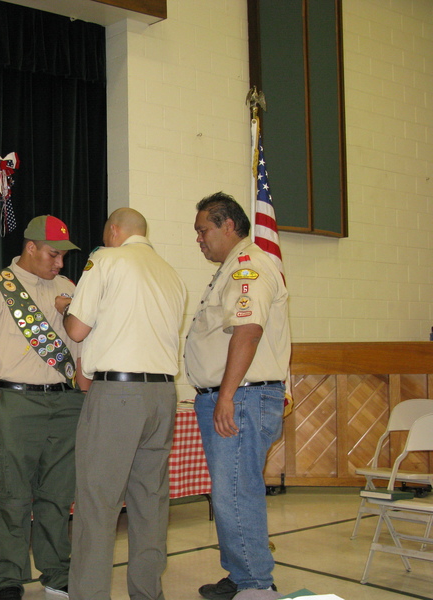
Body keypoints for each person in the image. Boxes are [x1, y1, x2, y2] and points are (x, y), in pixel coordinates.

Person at [56, 207, 187, 600]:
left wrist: (68, 307)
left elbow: (78, 328)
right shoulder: (172, 274)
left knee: (98, 504)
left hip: (118, 394)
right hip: (163, 395)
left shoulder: (107, 259)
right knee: (150, 502)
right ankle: (148, 594)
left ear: (113, 231)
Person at [0, 215, 90, 600]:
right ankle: (10, 579)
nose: (60, 263)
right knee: (12, 496)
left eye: (64, 256)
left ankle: (56, 573)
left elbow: (82, 348)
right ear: (30, 247)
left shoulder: (69, 288)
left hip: (66, 403)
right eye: (54, 254)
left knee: (57, 494)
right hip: (15, 402)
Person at [185, 192, 290, 600]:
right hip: (230, 396)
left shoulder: (249, 268)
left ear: (228, 225)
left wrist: (226, 395)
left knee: (234, 491)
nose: (198, 239)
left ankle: (256, 585)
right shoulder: (230, 269)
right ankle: (241, 573)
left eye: (203, 230)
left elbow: (248, 331)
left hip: (242, 397)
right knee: (228, 489)